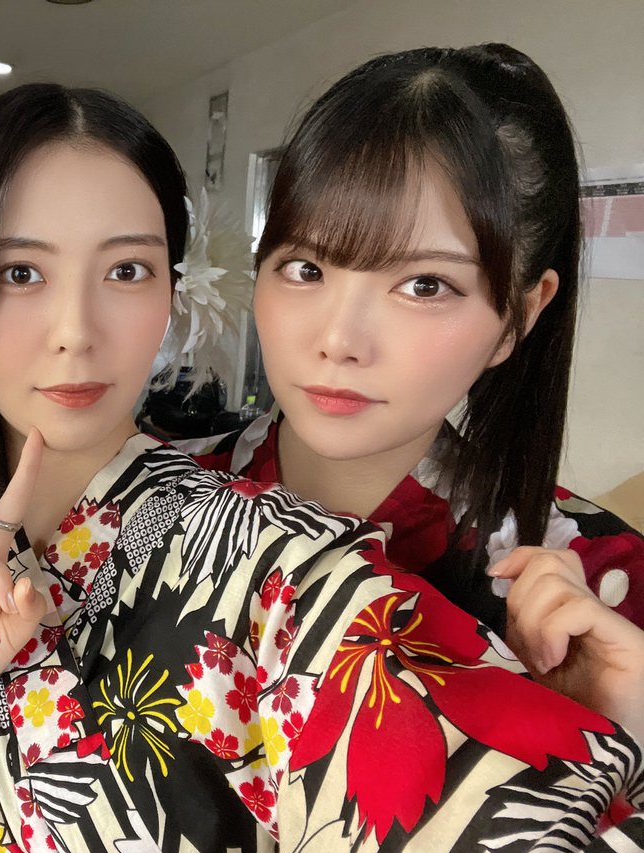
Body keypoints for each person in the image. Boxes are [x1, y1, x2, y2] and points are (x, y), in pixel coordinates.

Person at [0, 81, 643, 853]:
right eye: (19, 274)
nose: (76, 331)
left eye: (126, 270)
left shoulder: (279, 565)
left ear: (171, 290)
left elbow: (512, 852)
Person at [178, 43, 643, 643]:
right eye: (306, 269)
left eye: (426, 285)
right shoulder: (149, 494)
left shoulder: (605, 592)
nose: (339, 340)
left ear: (520, 316)